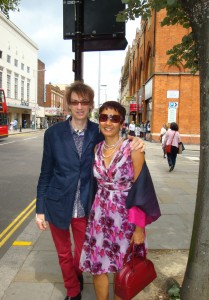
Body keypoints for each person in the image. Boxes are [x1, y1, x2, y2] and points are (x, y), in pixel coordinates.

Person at [35, 82, 145, 300]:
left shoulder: (99, 129)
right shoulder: (53, 134)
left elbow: (116, 141)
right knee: (64, 254)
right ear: (68, 105)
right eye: (75, 102)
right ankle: (73, 291)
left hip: (87, 206)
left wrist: (135, 140)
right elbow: (45, 173)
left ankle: (77, 274)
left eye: (84, 102)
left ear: (90, 105)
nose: (79, 106)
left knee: (81, 256)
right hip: (57, 203)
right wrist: (40, 209)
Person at [79, 101, 161, 300]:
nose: (108, 122)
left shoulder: (133, 149)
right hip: (99, 216)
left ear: (122, 122)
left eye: (114, 118)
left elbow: (142, 189)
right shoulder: (96, 149)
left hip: (125, 218)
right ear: (98, 120)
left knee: (124, 268)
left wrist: (139, 228)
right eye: (103, 117)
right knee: (98, 267)